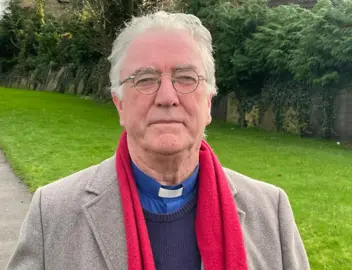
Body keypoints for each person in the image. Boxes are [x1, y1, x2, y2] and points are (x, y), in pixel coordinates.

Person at [6, 11, 310, 270]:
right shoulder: (53, 214)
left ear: (208, 103)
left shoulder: (271, 211)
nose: (167, 97)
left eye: (186, 78)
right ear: (120, 105)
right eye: (145, 79)